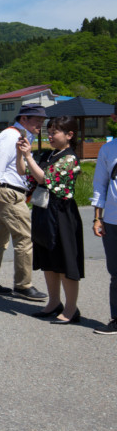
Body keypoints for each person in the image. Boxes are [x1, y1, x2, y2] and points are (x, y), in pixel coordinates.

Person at [0, 104, 48, 301]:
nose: (40, 125)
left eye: (42, 122)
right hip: (7, 192)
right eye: (37, 121)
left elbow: (20, 168)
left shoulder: (21, 136)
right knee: (24, 237)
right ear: (23, 118)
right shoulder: (11, 136)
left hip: (8, 191)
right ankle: (23, 285)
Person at [17, 116, 84, 323]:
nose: (50, 135)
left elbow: (44, 178)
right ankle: (54, 302)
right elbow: (24, 173)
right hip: (43, 211)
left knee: (64, 262)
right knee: (48, 260)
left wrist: (28, 156)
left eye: (55, 132)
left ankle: (71, 309)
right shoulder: (49, 154)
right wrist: (21, 155)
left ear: (69, 135)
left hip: (62, 213)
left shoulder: (70, 158)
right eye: (49, 131)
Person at [91, 101, 117, 336]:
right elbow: (100, 184)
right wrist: (97, 218)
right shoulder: (108, 150)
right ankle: (116, 318)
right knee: (116, 272)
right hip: (112, 219)